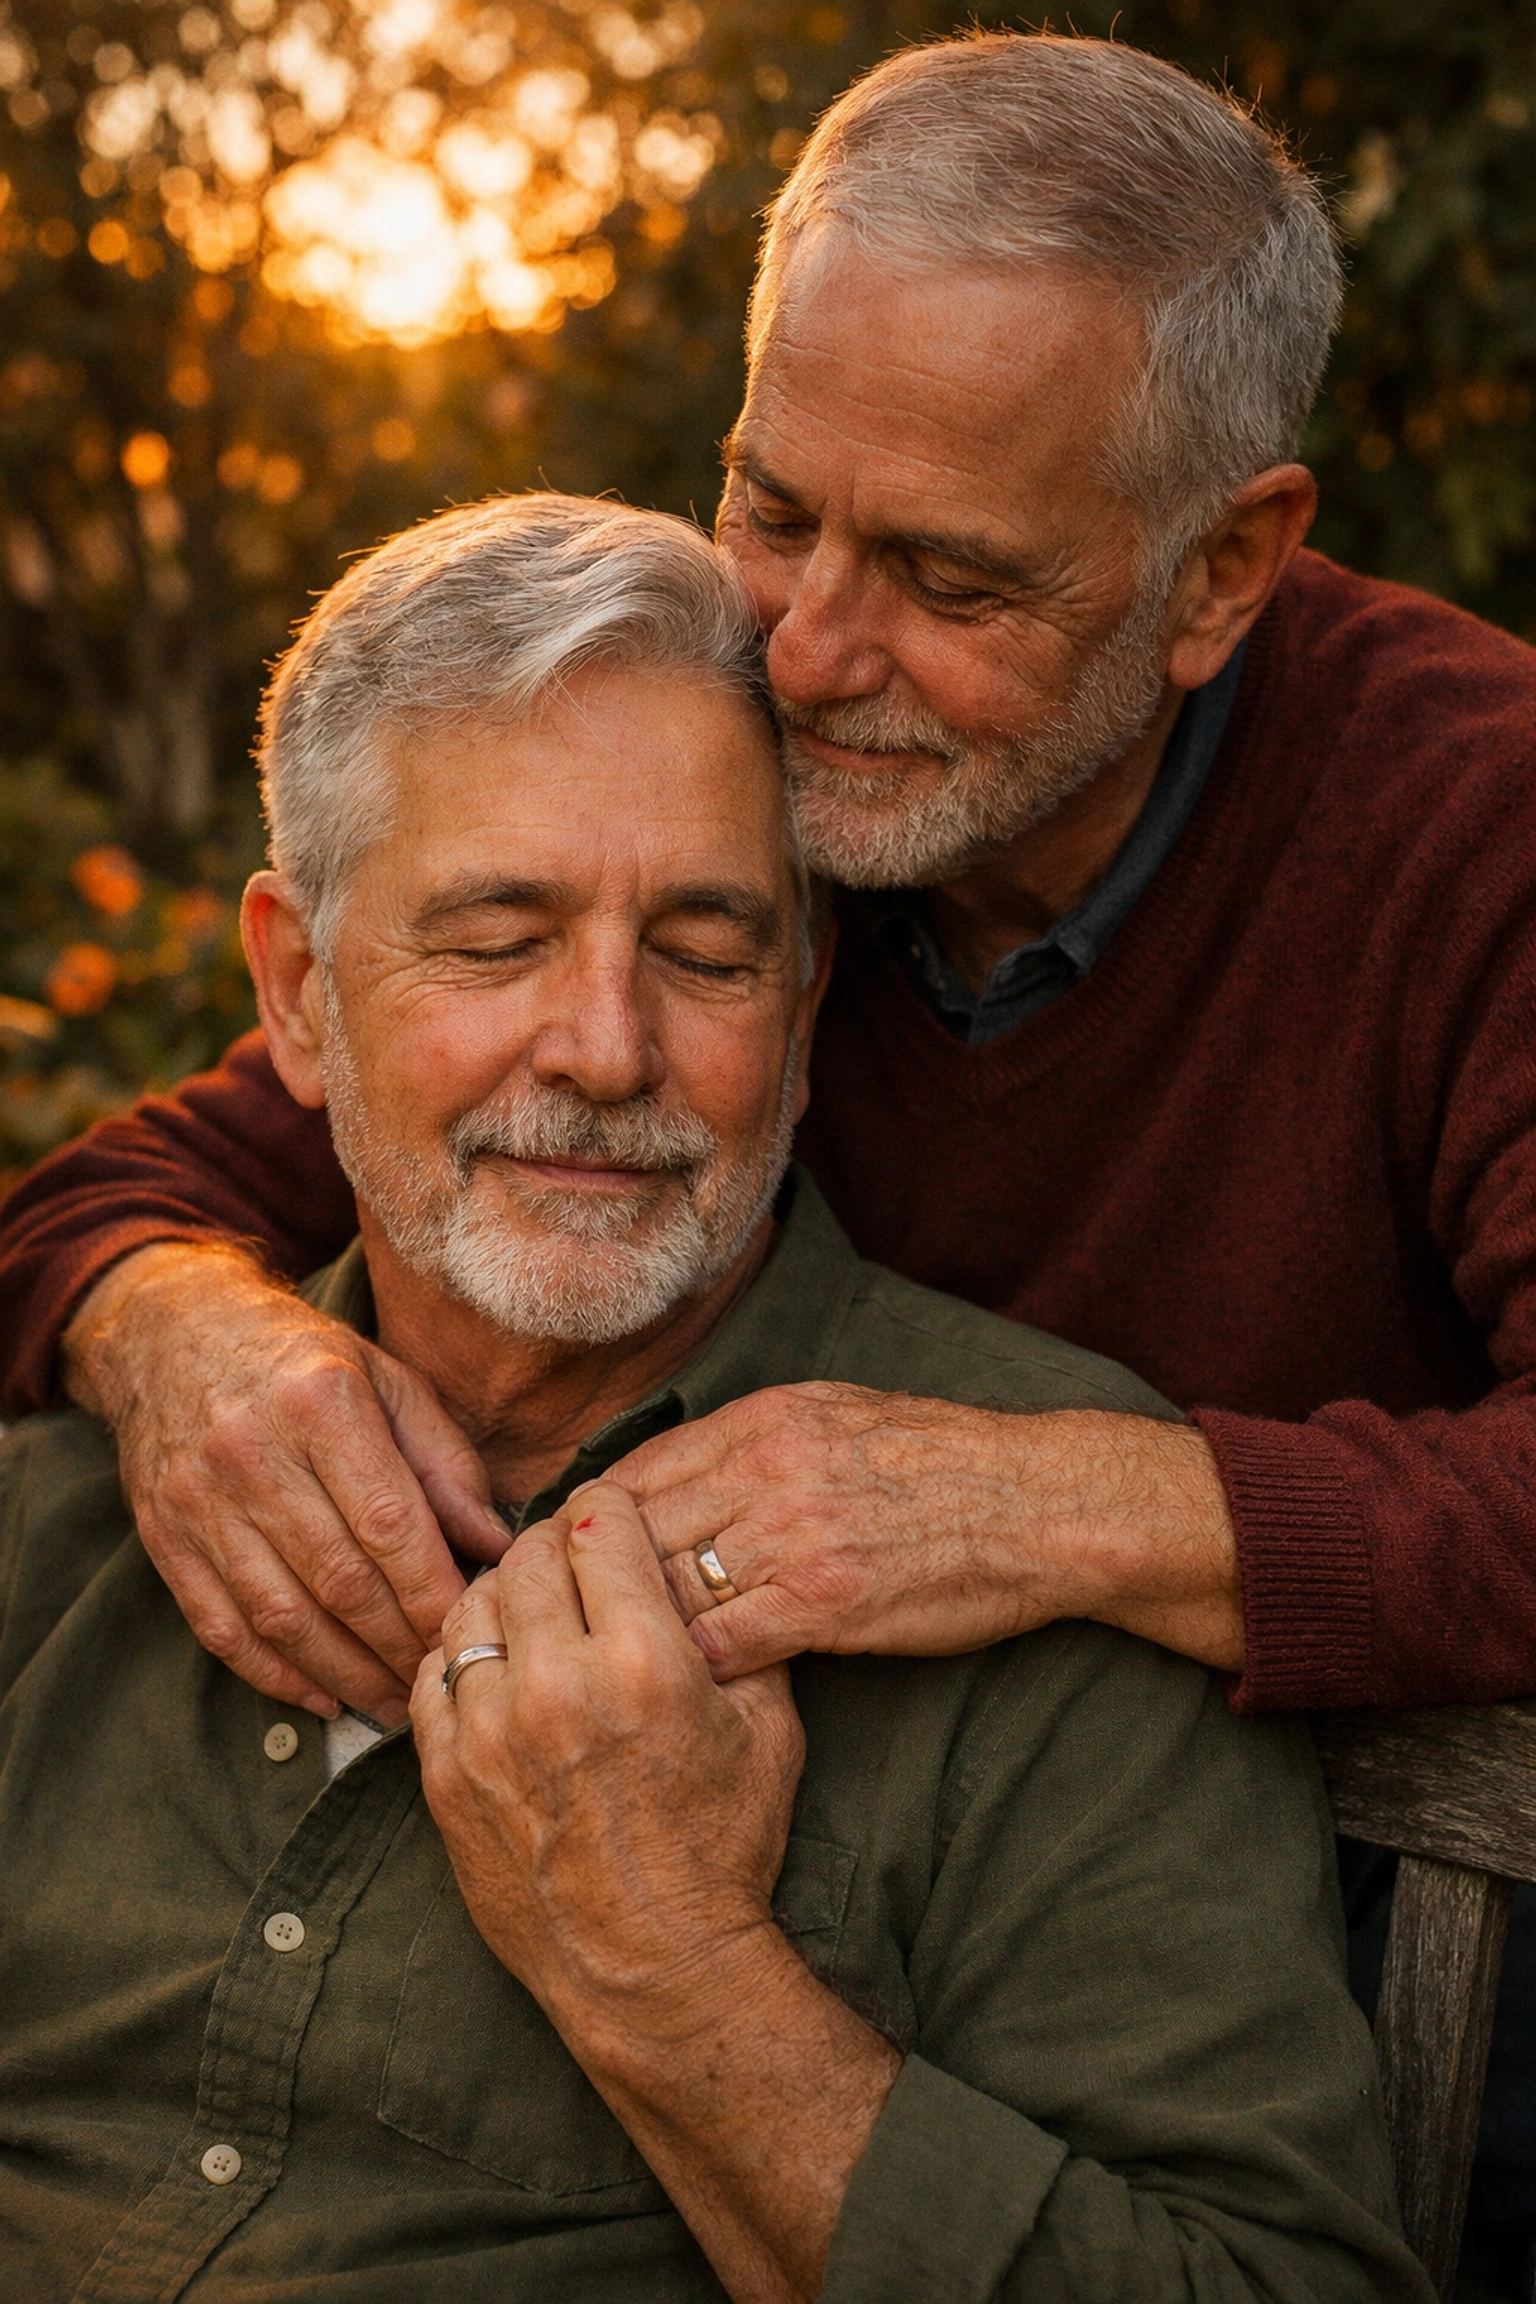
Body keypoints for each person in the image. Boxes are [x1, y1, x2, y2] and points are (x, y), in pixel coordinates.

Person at [3, 28, 1536, 2265]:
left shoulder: (1473, 836)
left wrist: (1076, 1500)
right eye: (773, 507)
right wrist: (177, 1331)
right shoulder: (796, 766)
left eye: (948, 576)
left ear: (1224, 571)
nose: (805, 652)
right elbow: (304, 1105)